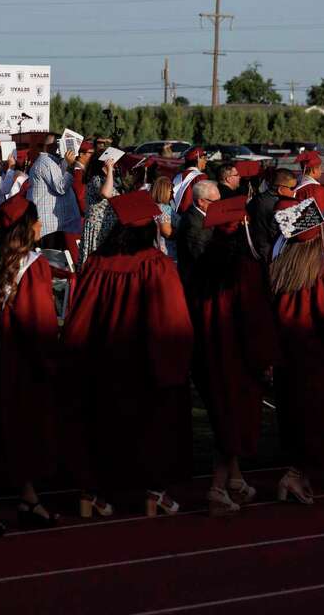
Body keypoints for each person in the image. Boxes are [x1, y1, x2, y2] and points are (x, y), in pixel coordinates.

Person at [63, 191, 194, 517]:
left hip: (102, 361)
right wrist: (174, 362)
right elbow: (171, 319)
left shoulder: (96, 263)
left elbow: (79, 317)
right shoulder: (157, 265)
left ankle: (92, 495)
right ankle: (153, 493)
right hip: (142, 364)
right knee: (150, 429)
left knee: (101, 426)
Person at [0, 195, 60, 536]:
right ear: (26, 227)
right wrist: (50, 362)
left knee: (3, 426)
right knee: (20, 430)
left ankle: (29, 501)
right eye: (36, 221)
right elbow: (37, 321)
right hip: (21, 363)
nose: (40, 226)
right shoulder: (32, 266)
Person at [187, 195, 277, 514]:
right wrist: (264, 359)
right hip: (237, 356)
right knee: (234, 421)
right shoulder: (246, 269)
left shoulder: (204, 265)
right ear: (242, 226)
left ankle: (235, 481)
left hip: (207, 353)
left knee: (222, 416)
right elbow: (254, 319)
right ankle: (216, 488)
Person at [269, 197, 324, 504]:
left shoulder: (280, 268)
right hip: (319, 358)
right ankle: (293, 475)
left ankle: (299, 475)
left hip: (287, 357)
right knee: (319, 419)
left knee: (295, 417)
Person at [27, 137, 80, 260]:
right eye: (58, 144)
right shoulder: (46, 162)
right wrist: (71, 166)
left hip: (55, 226)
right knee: (54, 262)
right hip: (51, 227)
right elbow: (61, 187)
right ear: (51, 147)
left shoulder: (52, 161)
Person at [176, 180, 221, 285]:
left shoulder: (199, 214)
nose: (219, 205)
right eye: (215, 202)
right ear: (201, 201)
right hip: (198, 281)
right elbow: (201, 256)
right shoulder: (194, 225)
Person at [247, 168, 297, 260]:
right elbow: (278, 235)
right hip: (271, 252)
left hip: (257, 246)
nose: (295, 191)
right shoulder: (278, 206)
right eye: (292, 188)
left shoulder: (257, 198)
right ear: (281, 189)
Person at [170, 147, 208, 213]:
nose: (206, 161)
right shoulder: (200, 177)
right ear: (198, 159)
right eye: (204, 158)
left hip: (174, 214)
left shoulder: (176, 177)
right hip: (192, 215)